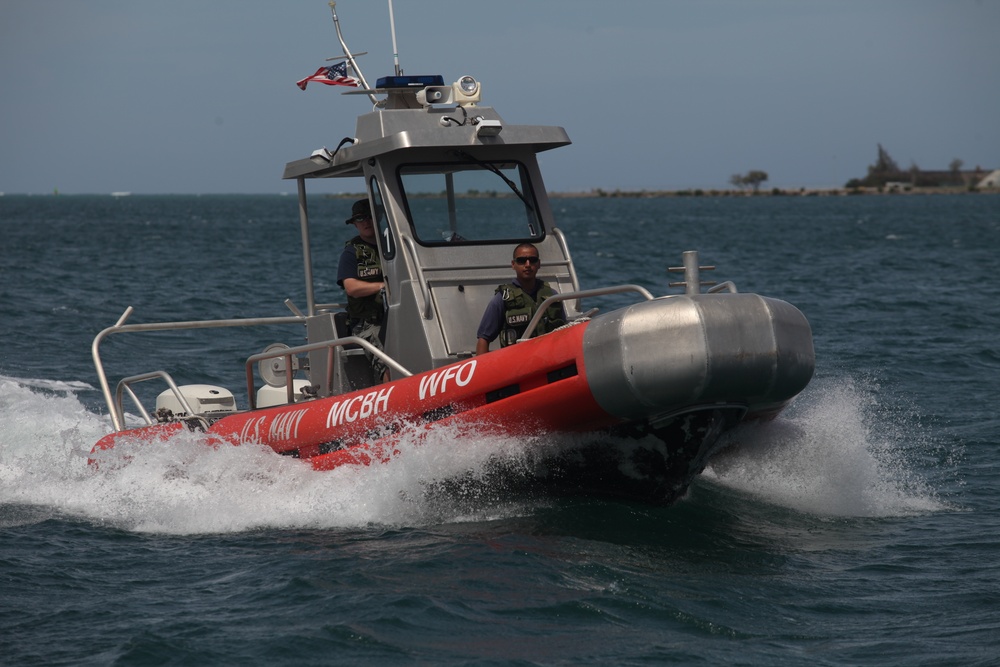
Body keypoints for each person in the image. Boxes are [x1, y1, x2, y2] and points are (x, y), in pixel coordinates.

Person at [476, 243, 566, 355]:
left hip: (548, 358)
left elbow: (565, 333)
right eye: (521, 260)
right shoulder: (503, 298)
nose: (527, 265)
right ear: (513, 265)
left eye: (532, 260)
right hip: (516, 362)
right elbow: (484, 338)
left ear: (538, 264)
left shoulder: (551, 296)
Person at [337, 199, 389, 383]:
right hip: (367, 323)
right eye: (360, 219)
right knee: (386, 355)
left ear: (379, 217)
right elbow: (352, 288)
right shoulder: (352, 253)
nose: (366, 222)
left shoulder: (393, 246)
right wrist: (383, 286)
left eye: (369, 217)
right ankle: (392, 400)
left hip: (396, 316)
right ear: (354, 224)